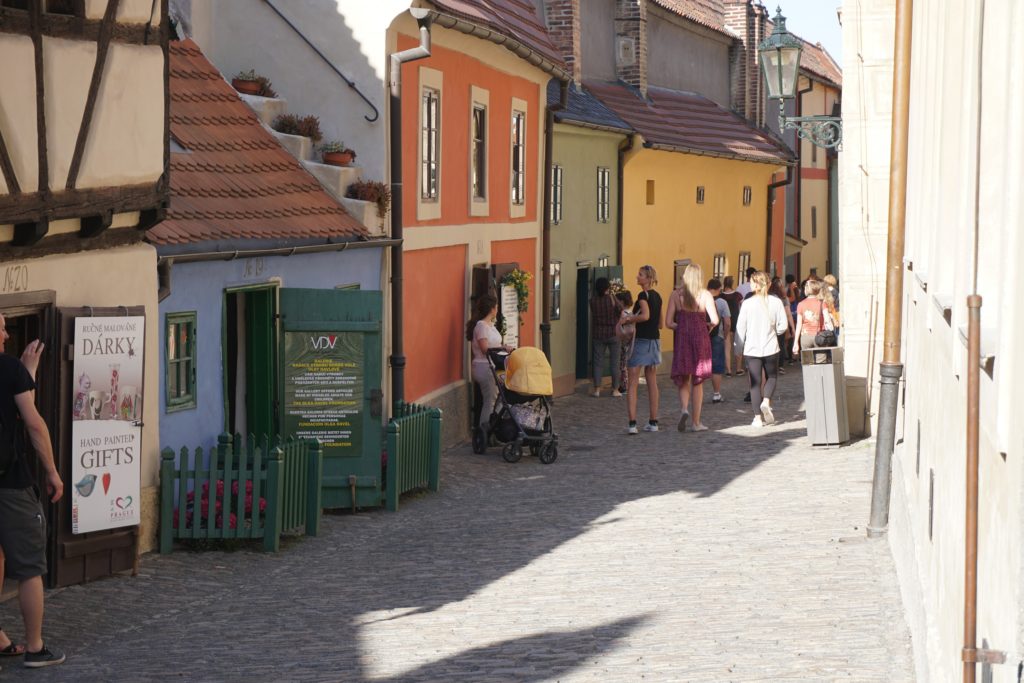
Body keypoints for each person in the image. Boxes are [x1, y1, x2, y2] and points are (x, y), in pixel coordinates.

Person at [0, 315, 66, 668]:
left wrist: (28, 375)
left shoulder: (14, 371)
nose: (8, 333)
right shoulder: (9, 369)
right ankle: (36, 648)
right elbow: (33, 422)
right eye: (1, 327)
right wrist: (52, 472)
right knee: (29, 568)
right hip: (9, 485)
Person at [665, 265, 719, 433]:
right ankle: (696, 422)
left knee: (683, 377)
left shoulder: (676, 295)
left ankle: (684, 409)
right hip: (700, 338)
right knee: (698, 380)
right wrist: (707, 326)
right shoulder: (705, 295)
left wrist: (680, 327)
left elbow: (668, 323)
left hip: (682, 339)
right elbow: (715, 320)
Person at [734, 272, 789, 427]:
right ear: (768, 284)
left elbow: (740, 328)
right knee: (772, 377)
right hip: (771, 347)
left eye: (752, 282)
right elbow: (783, 326)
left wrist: (738, 347)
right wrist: (775, 332)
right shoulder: (776, 302)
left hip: (752, 349)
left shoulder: (747, 303)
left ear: (755, 285)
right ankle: (766, 401)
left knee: (755, 383)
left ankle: (757, 418)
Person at [623, 265, 663, 434]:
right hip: (654, 341)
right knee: (652, 382)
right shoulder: (658, 296)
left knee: (632, 382)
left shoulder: (642, 296)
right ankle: (653, 421)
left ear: (647, 278)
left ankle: (632, 424)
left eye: (640, 275)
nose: (637, 277)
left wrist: (630, 318)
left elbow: (645, 315)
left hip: (641, 341)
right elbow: (660, 323)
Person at [466, 295, 503, 433]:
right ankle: (484, 433)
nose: (497, 309)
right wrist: (502, 349)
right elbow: (484, 349)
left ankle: (493, 431)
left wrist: (503, 346)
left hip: (492, 366)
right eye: (497, 307)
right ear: (492, 309)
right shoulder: (481, 326)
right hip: (485, 366)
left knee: (497, 400)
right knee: (490, 401)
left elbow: (494, 344)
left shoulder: (489, 326)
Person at [589, 277, 623, 398]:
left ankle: (597, 389)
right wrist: (613, 296)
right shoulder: (612, 299)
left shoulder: (593, 301)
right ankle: (615, 389)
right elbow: (621, 310)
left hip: (598, 334)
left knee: (598, 362)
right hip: (613, 333)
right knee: (614, 362)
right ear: (607, 288)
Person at [706, 279, 730, 402]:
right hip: (717, 336)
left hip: (702, 335)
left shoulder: (701, 299)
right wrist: (725, 335)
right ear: (717, 289)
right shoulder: (722, 302)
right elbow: (727, 322)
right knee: (717, 365)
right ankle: (716, 393)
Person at [792, 279, 829, 355]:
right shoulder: (822, 303)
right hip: (820, 336)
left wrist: (795, 342)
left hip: (805, 336)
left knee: (807, 363)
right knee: (821, 362)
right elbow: (827, 319)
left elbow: (799, 324)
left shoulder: (801, 304)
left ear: (807, 290)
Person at [719, 276, 742, 376]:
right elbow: (742, 307)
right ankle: (738, 368)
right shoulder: (738, 295)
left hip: (725, 321)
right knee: (738, 345)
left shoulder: (721, 296)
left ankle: (728, 370)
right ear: (732, 283)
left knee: (727, 346)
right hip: (737, 320)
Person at [614, 290, 634, 395]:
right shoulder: (631, 312)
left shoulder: (623, 313)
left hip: (624, 341)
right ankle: (626, 384)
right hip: (630, 341)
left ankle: (624, 385)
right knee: (627, 364)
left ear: (622, 302)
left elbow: (623, 327)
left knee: (623, 365)